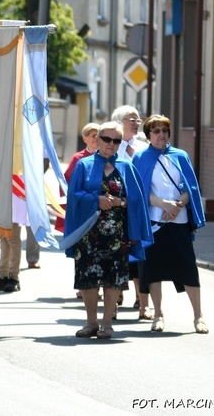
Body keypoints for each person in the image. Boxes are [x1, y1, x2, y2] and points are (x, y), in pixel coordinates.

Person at [63, 122, 153, 339]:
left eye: (116, 141)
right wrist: (97, 200)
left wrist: (119, 204)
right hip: (88, 234)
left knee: (114, 278)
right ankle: (91, 322)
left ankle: (107, 324)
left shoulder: (126, 166)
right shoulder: (84, 165)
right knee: (89, 277)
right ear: (98, 139)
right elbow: (74, 197)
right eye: (107, 139)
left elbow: (137, 201)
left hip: (117, 234)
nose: (111, 144)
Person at [132, 115, 209, 334]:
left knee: (188, 269)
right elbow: (139, 191)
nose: (161, 135)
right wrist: (163, 204)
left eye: (164, 130)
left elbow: (191, 187)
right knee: (154, 270)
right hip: (155, 222)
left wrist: (178, 204)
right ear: (148, 135)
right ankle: (158, 314)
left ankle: (198, 316)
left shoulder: (180, 156)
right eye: (156, 131)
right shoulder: (140, 158)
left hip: (180, 220)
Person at [112, 105, 151, 319]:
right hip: (116, 206)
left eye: (138, 119)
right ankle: (115, 295)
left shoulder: (143, 147)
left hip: (138, 207)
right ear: (119, 122)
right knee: (117, 251)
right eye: (131, 119)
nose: (136, 123)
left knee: (137, 249)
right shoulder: (111, 145)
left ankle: (140, 296)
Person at [55, 123, 100, 234]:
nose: (96, 138)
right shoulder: (78, 158)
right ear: (85, 138)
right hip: (82, 202)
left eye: (98, 135)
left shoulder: (106, 157)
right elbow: (67, 181)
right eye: (93, 135)